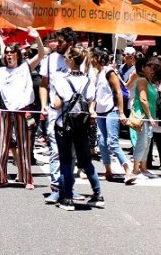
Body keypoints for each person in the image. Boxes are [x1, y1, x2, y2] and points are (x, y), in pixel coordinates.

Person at [0, 28, 45, 191]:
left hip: (23, 111)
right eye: (7, 53)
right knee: (1, 146)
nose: (9, 55)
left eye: (12, 53)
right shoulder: (0, 72)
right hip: (5, 112)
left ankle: (27, 178)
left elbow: (41, 54)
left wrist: (37, 37)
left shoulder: (25, 67)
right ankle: (1, 178)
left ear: (18, 55)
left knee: (24, 146)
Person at [49, 46, 103, 210]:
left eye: (66, 57)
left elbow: (56, 104)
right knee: (86, 161)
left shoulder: (61, 80)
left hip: (64, 125)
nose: (64, 59)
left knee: (65, 161)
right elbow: (91, 100)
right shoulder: (88, 80)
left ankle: (68, 198)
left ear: (71, 59)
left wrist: (54, 101)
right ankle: (97, 194)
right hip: (82, 125)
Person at [38, 27, 75, 202]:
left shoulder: (78, 59)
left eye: (60, 41)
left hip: (75, 115)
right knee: (55, 150)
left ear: (70, 43)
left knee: (71, 152)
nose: (56, 44)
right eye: (56, 41)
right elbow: (43, 84)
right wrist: (44, 105)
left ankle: (68, 187)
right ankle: (55, 187)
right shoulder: (50, 59)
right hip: (54, 113)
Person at [89, 48, 136, 184]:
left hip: (112, 110)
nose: (89, 59)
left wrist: (121, 112)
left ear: (97, 57)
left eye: (92, 56)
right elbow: (95, 96)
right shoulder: (96, 74)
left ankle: (128, 171)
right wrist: (93, 110)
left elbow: (119, 92)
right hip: (101, 111)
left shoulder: (109, 71)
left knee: (112, 142)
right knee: (102, 142)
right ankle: (108, 171)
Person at [132, 57, 161, 176]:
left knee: (148, 141)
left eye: (153, 67)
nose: (152, 69)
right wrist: (150, 116)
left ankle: (144, 167)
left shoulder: (149, 81)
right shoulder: (142, 80)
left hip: (150, 115)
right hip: (143, 115)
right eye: (149, 66)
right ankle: (136, 167)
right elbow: (143, 98)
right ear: (142, 68)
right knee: (142, 141)